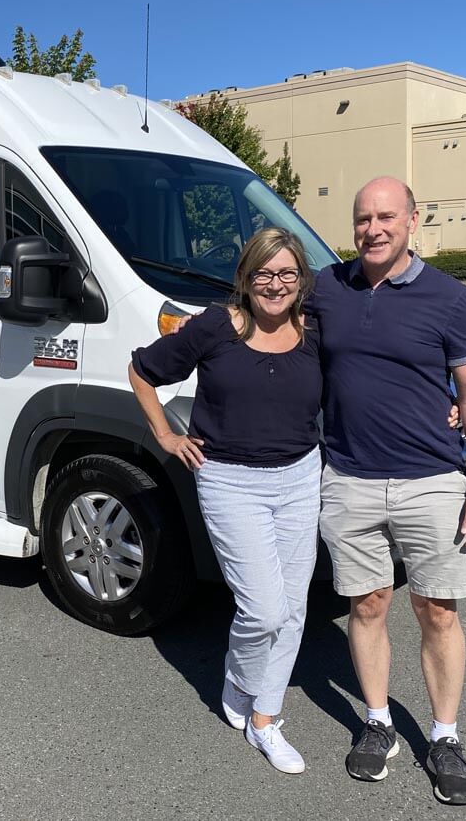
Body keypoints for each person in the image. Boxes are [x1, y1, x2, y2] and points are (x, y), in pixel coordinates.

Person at [309, 176, 466, 805]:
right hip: (349, 481)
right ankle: (377, 722)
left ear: (413, 220)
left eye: (387, 217)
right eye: (363, 218)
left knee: (437, 610)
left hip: (433, 482)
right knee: (367, 606)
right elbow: (267, 321)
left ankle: (444, 736)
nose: (374, 229)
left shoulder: (448, 297)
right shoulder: (326, 289)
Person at [128, 227, 321, 774]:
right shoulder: (216, 326)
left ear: (301, 279)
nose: (275, 285)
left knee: (294, 609)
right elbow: (142, 370)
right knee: (264, 609)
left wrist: (446, 404)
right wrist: (166, 434)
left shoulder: (316, 329)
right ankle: (239, 679)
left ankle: (265, 717)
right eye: (264, 274)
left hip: (300, 478)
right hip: (231, 482)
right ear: (245, 278)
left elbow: (372, 372)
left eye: (287, 273)